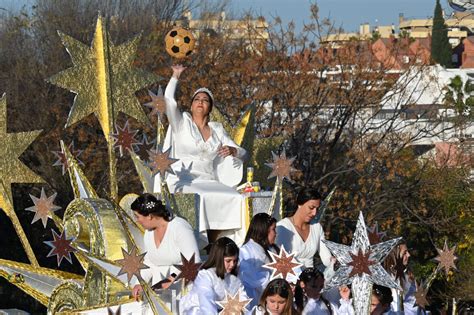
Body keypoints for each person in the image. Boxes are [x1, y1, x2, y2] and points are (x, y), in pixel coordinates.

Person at [156, 64, 248, 245]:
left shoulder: (217, 130)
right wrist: (175, 75)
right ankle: (200, 245)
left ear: (210, 107)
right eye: (196, 99)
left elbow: (244, 154)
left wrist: (234, 151)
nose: (200, 101)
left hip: (210, 180)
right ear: (191, 105)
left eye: (205, 100)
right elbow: (169, 100)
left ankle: (221, 245)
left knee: (236, 198)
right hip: (184, 181)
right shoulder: (181, 123)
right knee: (202, 197)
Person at [130, 193, 200, 299]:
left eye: (138, 216)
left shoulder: (180, 227)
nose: (137, 221)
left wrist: (170, 279)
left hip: (184, 290)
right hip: (160, 293)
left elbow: (194, 262)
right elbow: (149, 262)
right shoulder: (148, 234)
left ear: (149, 216)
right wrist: (140, 282)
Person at [179, 237, 248, 314]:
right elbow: (207, 303)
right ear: (219, 259)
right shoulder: (206, 276)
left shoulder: (235, 275)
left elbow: (242, 299)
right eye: (228, 261)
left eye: (235, 261)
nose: (232, 264)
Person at [275, 187, 333, 270]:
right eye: (311, 208)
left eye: (317, 209)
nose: (314, 213)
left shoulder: (316, 227)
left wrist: (336, 262)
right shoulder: (282, 227)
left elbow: (327, 258)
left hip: (311, 279)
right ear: (300, 204)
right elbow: (281, 258)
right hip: (289, 278)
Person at [239, 213, 280, 308]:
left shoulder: (274, 249)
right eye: (273, 229)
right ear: (264, 231)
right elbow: (251, 277)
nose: (275, 234)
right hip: (256, 300)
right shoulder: (246, 251)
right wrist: (275, 284)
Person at [384, 242, 423, 315]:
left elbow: (414, 305)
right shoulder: (384, 277)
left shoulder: (409, 276)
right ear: (395, 255)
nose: (409, 255)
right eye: (405, 253)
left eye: (407, 252)